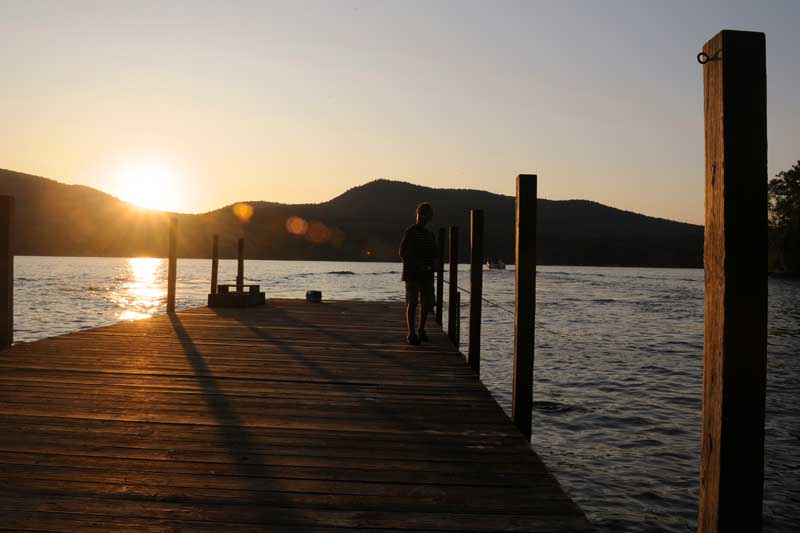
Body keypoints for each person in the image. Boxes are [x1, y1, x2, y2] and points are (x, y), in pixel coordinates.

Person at [399, 202, 437, 345]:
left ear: (429, 217)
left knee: (427, 303)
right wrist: (416, 265)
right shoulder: (410, 232)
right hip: (412, 275)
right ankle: (411, 333)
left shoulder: (430, 235)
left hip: (427, 275)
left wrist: (434, 264)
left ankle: (421, 330)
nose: (421, 217)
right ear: (416, 214)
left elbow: (435, 253)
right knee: (413, 302)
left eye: (425, 214)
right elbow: (402, 252)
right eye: (419, 214)